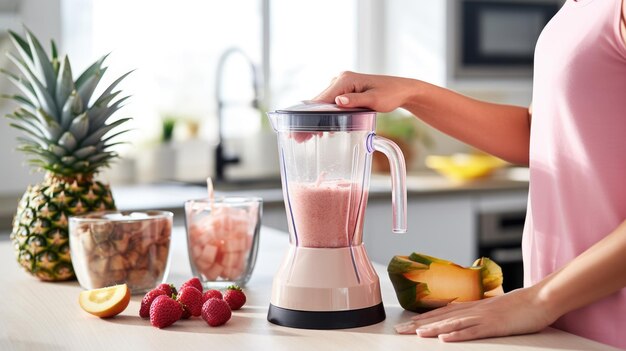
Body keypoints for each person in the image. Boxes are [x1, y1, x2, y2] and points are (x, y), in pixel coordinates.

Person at [314, 0, 626, 349]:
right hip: (559, 325)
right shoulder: (576, 8)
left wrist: (537, 301)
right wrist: (412, 93)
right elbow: (537, 132)